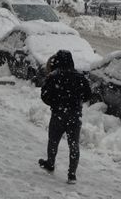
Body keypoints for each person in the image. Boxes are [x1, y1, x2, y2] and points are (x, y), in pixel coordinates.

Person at [38, 50, 91, 184]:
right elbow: (87, 95)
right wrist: (76, 102)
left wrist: (55, 103)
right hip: (75, 115)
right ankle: (72, 174)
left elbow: (44, 95)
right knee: (74, 144)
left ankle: (50, 163)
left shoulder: (53, 76)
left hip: (58, 114)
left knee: (53, 140)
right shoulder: (80, 77)